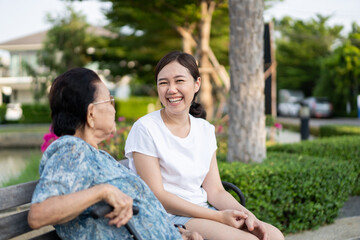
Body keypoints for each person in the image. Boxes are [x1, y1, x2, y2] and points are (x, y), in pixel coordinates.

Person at [125, 51, 285, 240]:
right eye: (163, 82)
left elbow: (216, 190)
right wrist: (218, 216)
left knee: (274, 236)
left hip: (203, 211)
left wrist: (250, 217)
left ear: (196, 84)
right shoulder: (145, 128)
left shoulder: (205, 129)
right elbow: (158, 196)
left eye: (179, 81)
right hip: (168, 216)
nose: (171, 89)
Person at [28, 67, 202, 240]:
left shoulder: (92, 154)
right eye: (109, 101)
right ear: (91, 113)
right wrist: (102, 191)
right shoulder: (71, 150)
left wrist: (179, 233)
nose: (114, 108)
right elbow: (38, 214)